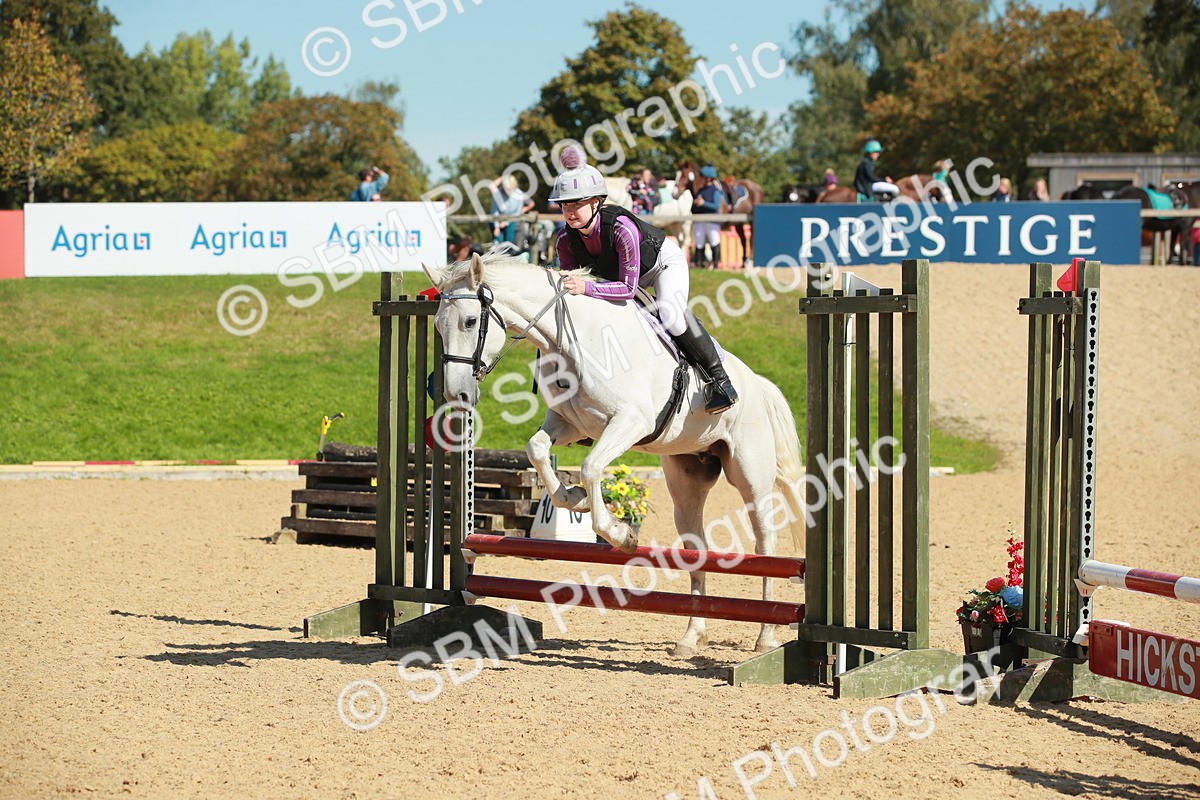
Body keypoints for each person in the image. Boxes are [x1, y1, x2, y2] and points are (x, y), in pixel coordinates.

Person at [551, 146, 737, 413]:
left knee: (670, 315)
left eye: (577, 203)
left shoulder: (620, 229)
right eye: (564, 204)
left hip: (660, 265)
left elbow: (627, 289)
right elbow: (574, 287)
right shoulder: (565, 240)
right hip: (623, 277)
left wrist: (585, 286)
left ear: (596, 202)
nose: (569, 211)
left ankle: (720, 381)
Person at [691, 165, 725, 269]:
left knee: (714, 241)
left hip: (711, 221)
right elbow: (692, 209)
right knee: (699, 242)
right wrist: (696, 204)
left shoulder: (715, 191)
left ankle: (715, 265)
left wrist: (703, 203)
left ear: (708, 178)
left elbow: (715, 206)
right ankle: (699, 264)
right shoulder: (700, 191)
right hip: (699, 221)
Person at [489, 176, 535, 247]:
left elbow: (516, 212)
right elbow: (494, 211)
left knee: (508, 245)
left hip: (511, 222)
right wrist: (497, 226)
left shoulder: (519, 194)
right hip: (498, 221)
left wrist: (505, 222)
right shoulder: (498, 194)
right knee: (498, 244)